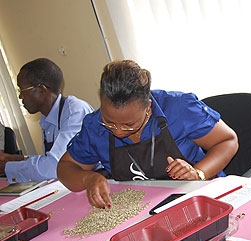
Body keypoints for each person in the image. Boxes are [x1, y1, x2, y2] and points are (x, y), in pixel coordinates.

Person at [57, 60, 238, 208]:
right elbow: (65, 167)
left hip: (203, 198)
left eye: (129, 124)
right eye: (109, 121)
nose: (118, 131)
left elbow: (228, 141)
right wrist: (87, 178)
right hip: (143, 210)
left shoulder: (179, 108)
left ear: (148, 107)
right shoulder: (94, 126)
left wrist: (198, 172)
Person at [0, 58, 94, 183]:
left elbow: (56, 166)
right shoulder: (48, 119)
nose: (20, 96)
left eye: (22, 90)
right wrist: (16, 159)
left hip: (97, 181)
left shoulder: (75, 112)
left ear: (42, 90)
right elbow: (49, 159)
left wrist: (6, 167)